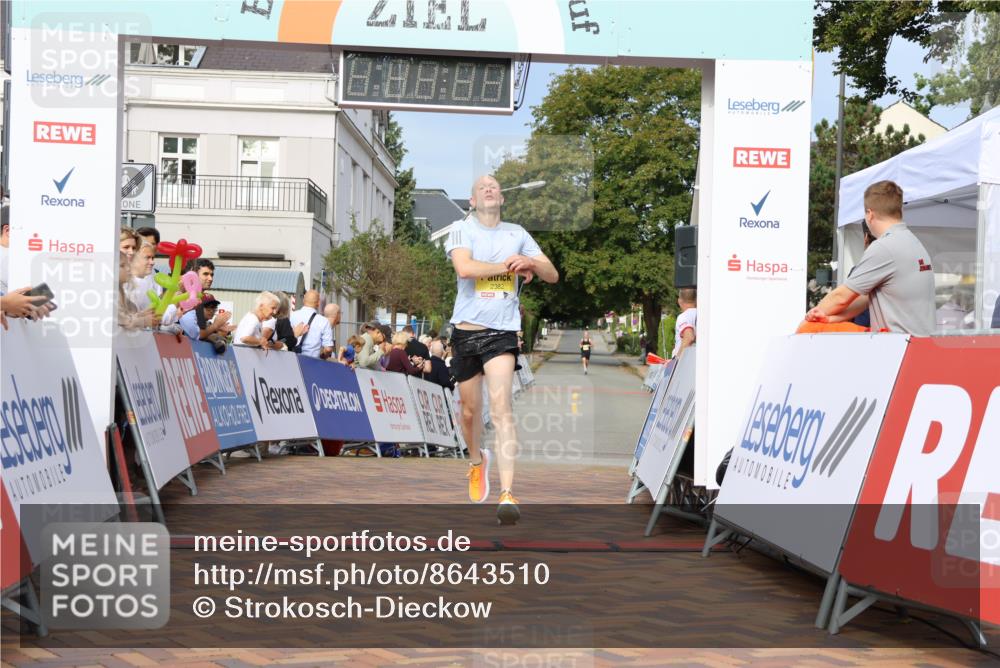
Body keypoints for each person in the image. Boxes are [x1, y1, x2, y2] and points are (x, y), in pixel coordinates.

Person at [445, 174, 559, 524]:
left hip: (502, 333)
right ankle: (477, 461)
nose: (489, 189)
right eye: (481, 187)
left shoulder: (517, 233)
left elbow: (552, 274)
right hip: (466, 332)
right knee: (468, 412)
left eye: (494, 186)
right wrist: (511, 265)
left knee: (500, 408)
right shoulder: (461, 229)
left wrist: (532, 263)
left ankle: (507, 493)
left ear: (502, 199)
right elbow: (465, 268)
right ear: (473, 201)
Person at [805, 180, 935, 336]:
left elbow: (840, 297)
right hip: (918, 346)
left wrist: (810, 319)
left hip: (898, 348)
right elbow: (865, 299)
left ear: (869, 214)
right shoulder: (913, 243)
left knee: (807, 329)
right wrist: (830, 318)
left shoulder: (884, 247)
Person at [290, 290, 333, 358]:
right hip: (313, 362)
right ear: (318, 303)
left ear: (303, 300)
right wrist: (323, 356)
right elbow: (328, 349)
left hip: (294, 360)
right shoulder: (324, 321)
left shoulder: (292, 316)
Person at [125, 241, 159, 310]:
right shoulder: (124, 285)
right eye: (147, 258)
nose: (152, 262)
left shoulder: (151, 276)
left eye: (152, 258)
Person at [673, 288, 697, 358]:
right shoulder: (702, 315)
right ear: (696, 300)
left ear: (679, 301)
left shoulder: (683, 317)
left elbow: (689, 337)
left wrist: (676, 360)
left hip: (685, 364)